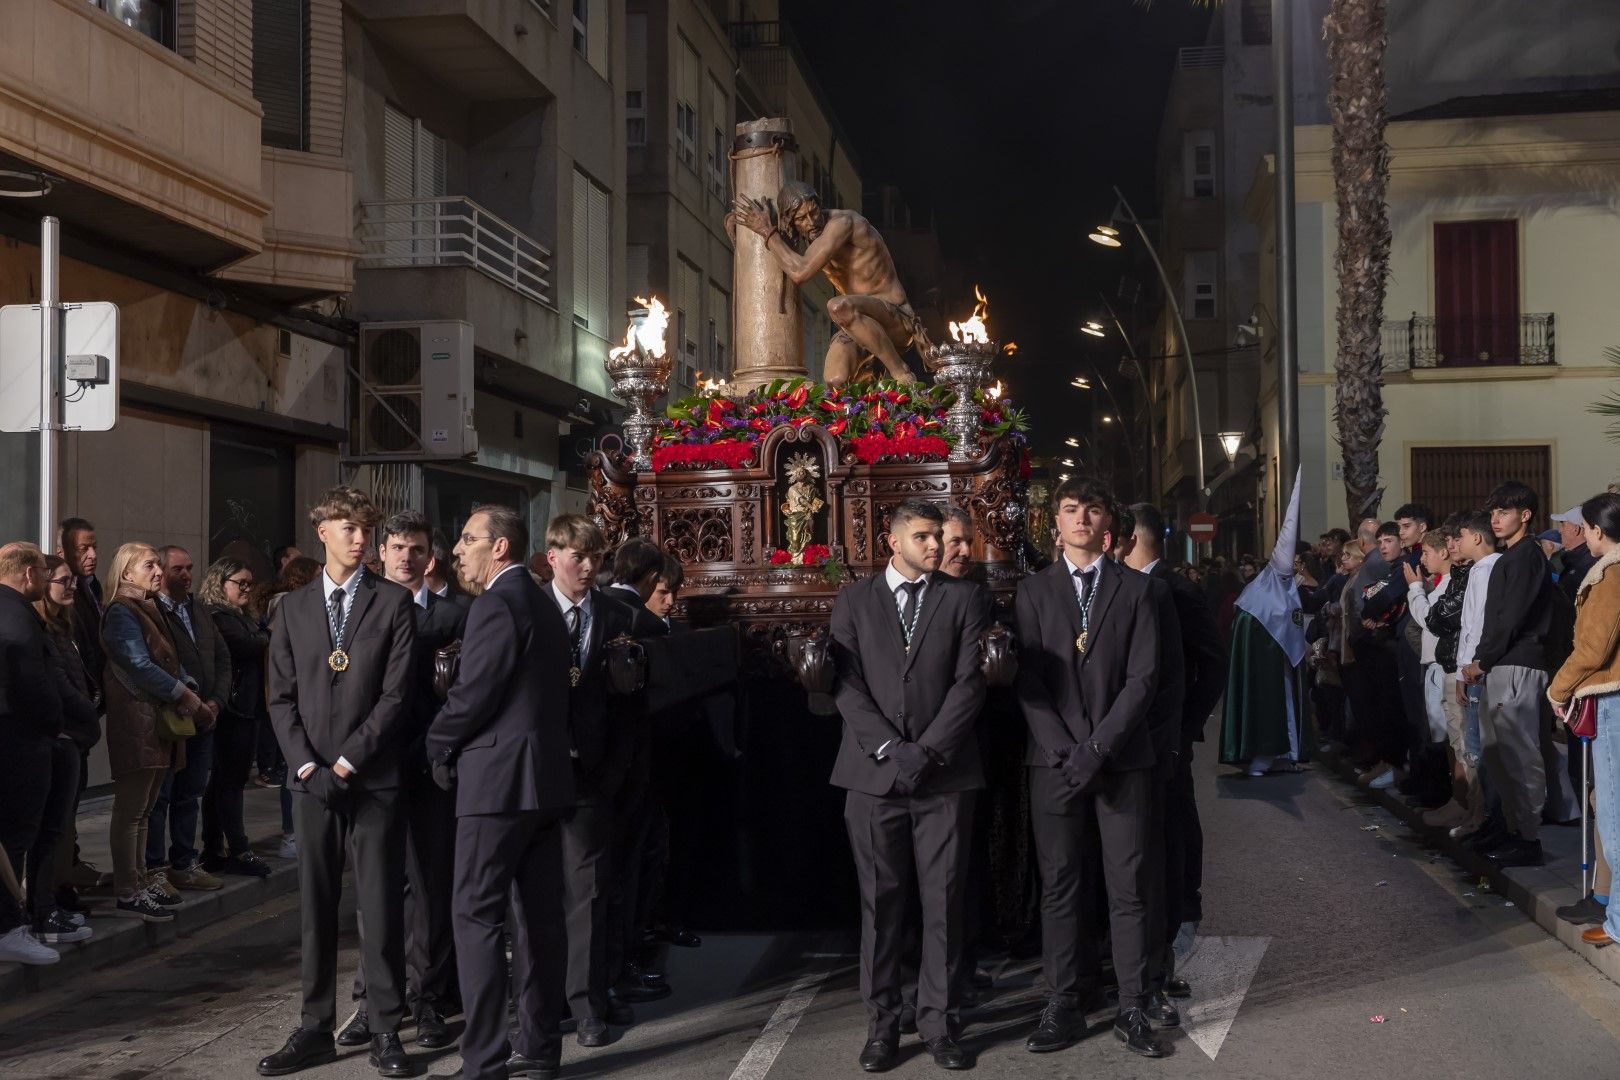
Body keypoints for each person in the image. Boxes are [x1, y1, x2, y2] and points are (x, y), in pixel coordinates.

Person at [259, 486, 418, 1079]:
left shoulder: (393, 602)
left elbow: (396, 696)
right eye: (347, 528)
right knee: (315, 907)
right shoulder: (291, 608)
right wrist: (305, 767)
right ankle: (314, 1028)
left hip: (371, 778)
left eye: (365, 530)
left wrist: (347, 764)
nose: (359, 539)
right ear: (321, 531)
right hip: (310, 781)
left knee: (379, 907)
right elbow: (279, 697)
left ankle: (384, 1029)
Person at [828, 498, 988, 1072]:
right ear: (892, 541)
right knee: (881, 903)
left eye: (938, 537)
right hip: (872, 778)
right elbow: (845, 685)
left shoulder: (965, 598)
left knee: (944, 902)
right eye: (923, 537)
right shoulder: (853, 599)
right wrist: (893, 749)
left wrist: (927, 752)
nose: (936, 547)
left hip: (945, 776)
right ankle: (882, 1026)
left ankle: (939, 1023)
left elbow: (970, 684)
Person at [427, 504, 574, 1080]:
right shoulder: (540, 599)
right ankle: (538, 1050)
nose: (458, 551)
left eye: (468, 539)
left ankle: (483, 1058)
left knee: (475, 917)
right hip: (545, 784)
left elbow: (472, 695)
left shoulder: (495, 603)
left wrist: (433, 745)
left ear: (501, 548)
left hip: (497, 786)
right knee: (539, 922)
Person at [1017, 478, 1163, 1059]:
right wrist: (1063, 750)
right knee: (1060, 887)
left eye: (1092, 509)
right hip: (1053, 764)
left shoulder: (1136, 591)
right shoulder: (1031, 591)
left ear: (1109, 524)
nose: (1081, 518)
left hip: (1120, 760)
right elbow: (1027, 682)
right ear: (1056, 522)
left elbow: (1143, 679)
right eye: (1070, 509)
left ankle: (1131, 1005)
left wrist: (1097, 748)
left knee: (1128, 888)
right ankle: (1063, 1003)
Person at [339, 511, 468, 1051]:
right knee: (377, 892)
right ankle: (373, 1003)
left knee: (431, 888)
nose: (406, 557)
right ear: (382, 552)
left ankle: (428, 1000)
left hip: (430, 766)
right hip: (371, 769)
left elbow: (462, 695)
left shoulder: (455, 616)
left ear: (429, 557)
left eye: (416, 549)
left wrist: (429, 749)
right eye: (396, 547)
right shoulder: (357, 611)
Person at [545, 514, 657, 1047]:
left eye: (596, 559)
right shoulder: (530, 609)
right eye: (577, 557)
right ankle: (540, 1002)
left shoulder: (617, 613)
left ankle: (588, 1005)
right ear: (552, 558)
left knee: (588, 892)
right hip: (533, 775)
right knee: (533, 895)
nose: (588, 568)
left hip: (593, 775)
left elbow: (632, 705)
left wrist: (614, 772)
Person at [1124, 502, 1226, 1003]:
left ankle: (1170, 944)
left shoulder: (1178, 590)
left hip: (1168, 742)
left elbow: (1211, 664)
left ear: (1131, 539)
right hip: (1137, 744)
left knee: (1174, 835)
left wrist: (1184, 728)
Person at [728, 180, 927, 385]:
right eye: (801, 219)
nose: (811, 222)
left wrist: (766, 231)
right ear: (791, 221)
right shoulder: (813, 238)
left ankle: (901, 373)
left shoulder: (842, 223)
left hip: (895, 317)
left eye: (813, 212)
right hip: (857, 324)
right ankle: (870, 393)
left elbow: (800, 272)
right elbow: (791, 257)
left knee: (837, 306)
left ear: (819, 204)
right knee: (835, 380)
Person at [1460, 482, 1564, 867]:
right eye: (1492, 513)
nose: (1495, 519)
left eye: (1503, 511)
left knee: (1520, 755)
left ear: (1525, 515)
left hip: (1518, 662)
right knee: (1502, 754)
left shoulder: (1524, 557)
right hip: (1504, 662)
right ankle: (1511, 828)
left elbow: (1511, 616)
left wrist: (1482, 659)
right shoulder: (1514, 557)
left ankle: (1528, 837)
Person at [102, 542, 204, 924]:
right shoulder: (121, 611)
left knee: (144, 811)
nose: (158, 571)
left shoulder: (146, 607)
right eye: (150, 566)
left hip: (154, 719)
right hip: (137, 720)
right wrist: (184, 694)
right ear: (127, 573)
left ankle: (139, 883)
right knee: (132, 811)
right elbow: (139, 664)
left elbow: (166, 660)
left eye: (159, 566)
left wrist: (185, 684)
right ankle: (128, 892)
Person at [1549, 493, 1620, 946]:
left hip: (1613, 697)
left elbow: (1594, 648)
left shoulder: (1612, 573)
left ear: (1596, 529)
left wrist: (1558, 687)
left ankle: (1619, 922)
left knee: (1613, 813)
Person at [146, 545, 233, 895]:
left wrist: (215, 702)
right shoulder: (152, 611)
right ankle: (154, 868)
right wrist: (190, 701)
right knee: (160, 798)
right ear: (162, 572)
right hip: (171, 718)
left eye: (190, 568)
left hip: (205, 718)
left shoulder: (199, 609)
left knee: (190, 794)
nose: (186, 575)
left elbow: (223, 659)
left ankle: (184, 862)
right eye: (178, 569)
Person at [0, 543, 71, 965]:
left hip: (16, 737)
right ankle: (10, 925)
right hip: (21, 742)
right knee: (17, 833)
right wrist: (54, 723)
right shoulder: (18, 618)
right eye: (44, 572)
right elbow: (33, 683)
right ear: (28, 573)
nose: (46, 580)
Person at [1220, 471, 1309, 777]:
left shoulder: (1289, 590)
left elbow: (1295, 620)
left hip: (1285, 667)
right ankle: (1261, 753)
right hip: (1263, 669)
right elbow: (1246, 630)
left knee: (1288, 705)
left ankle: (1288, 753)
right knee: (1265, 705)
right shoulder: (1254, 597)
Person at [35, 554, 104, 921]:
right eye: (64, 581)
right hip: (61, 738)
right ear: (43, 583)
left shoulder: (65, 626)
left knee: (64, 824)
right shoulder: (41, 629)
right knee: (51, 827)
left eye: (73, 583)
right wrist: (84, 712)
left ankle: (59, 889)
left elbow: (81, 674)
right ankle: (45, 900)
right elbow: (58, 685)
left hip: (76, 738)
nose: (72, 588)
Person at [198, 558, 273, 879]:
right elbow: (249, 645)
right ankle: (238, 849)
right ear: (220, 583)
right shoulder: (217, 616)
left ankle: (214, 848)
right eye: (240, 583)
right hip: (233, 708)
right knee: (231, 782)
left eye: (249, 583)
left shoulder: (238, 615)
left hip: (244, 705)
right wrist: (271, 632)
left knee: (223, 782)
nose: (247, 588)